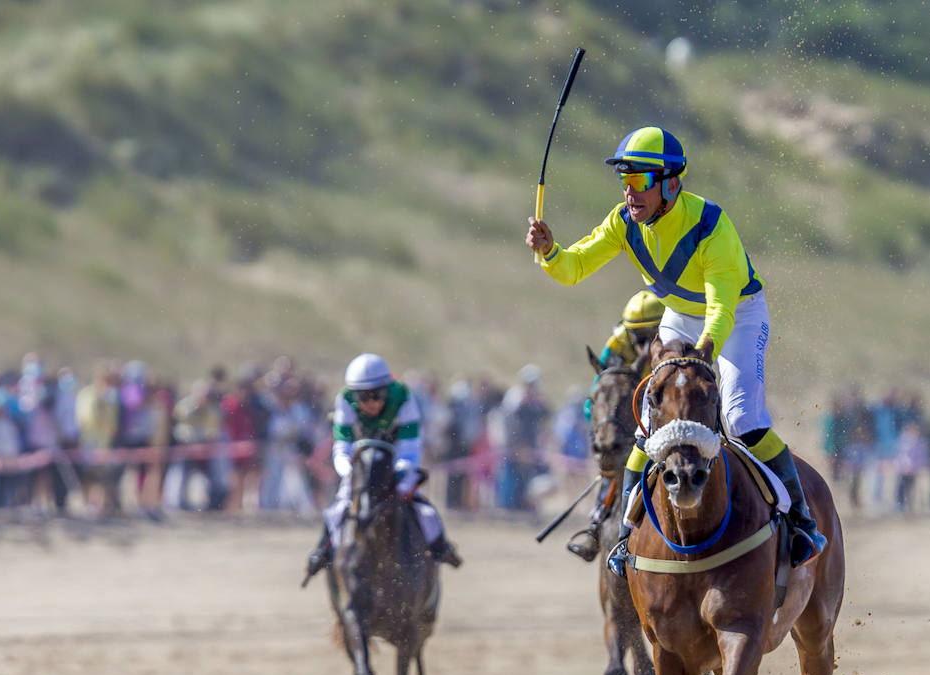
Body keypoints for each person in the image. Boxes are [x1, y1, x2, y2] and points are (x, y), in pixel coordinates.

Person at [525, 125, 828, 573]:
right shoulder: (623, 221)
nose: (631, 193)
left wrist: (704, 352)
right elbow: (574, 268)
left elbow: (721, 309)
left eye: (640, 181)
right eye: (625, 181)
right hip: (679, 313)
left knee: (743, 419)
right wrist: (550, 251)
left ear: (670, 183)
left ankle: (802, 521)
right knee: (649, 427)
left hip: (738, 316)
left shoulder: (710, 225)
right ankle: (626, 536)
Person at [303, 353, 462, 584]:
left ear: (387, 389)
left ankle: (441, 547)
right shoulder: (345, 400)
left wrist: (399, 477)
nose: (371, 403)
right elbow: (342, 448)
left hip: (397, 463)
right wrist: (353, 474)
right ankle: (322, 552)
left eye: (377, 394)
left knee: (424, 511)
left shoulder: (404, 397)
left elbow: (410, 447)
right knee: (338, 510)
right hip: (359, 467)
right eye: (363, 396)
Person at [566, 290, 664, 561]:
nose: (643, 343)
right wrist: (598, 422)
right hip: (631, 416)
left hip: (668, 406)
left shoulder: (677, 338)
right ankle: (596, 527)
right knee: (614, 462)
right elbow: (601, 390)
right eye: (638, 335)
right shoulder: (617, 344)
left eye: (650, 335)